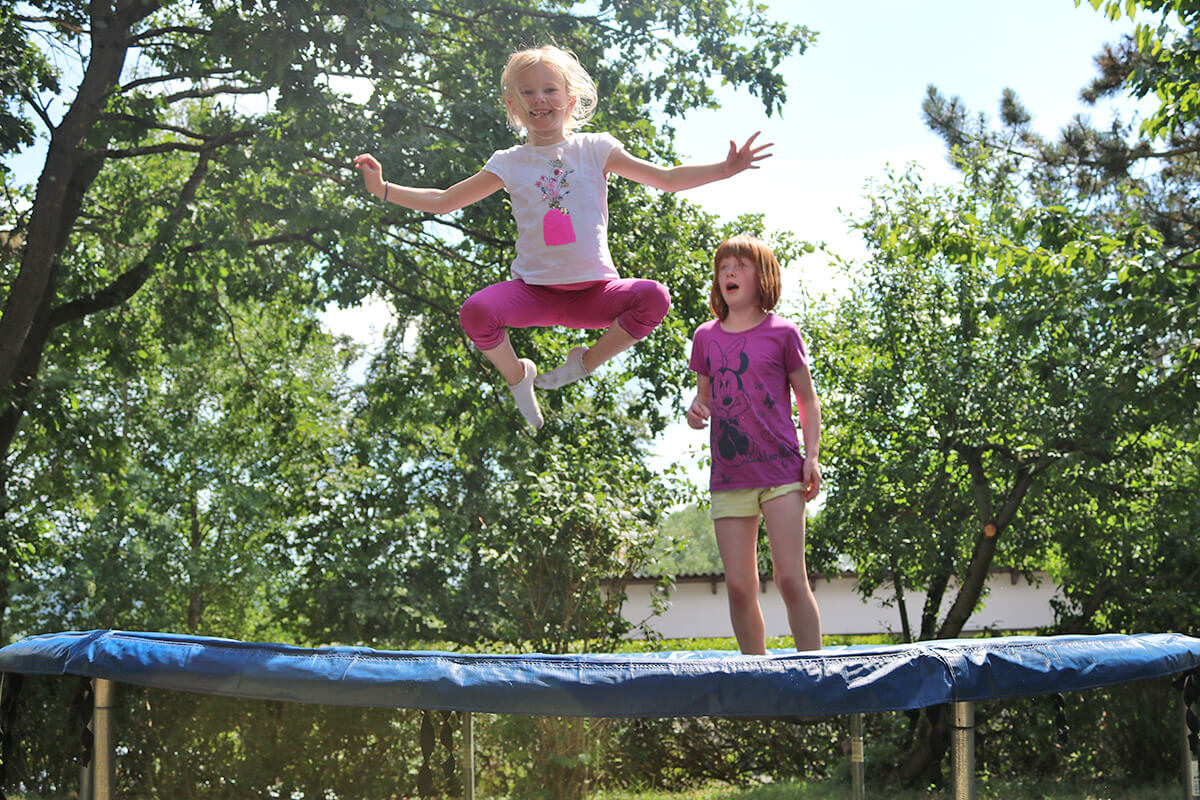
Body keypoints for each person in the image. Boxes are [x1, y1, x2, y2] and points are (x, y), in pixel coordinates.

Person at [354, 45, 772, 429]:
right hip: (533, 293)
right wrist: (384, 189)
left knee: (654, 297)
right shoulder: (508, 162)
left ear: (570, 100)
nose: (539, 99)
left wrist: (724, 169)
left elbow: (666, 179)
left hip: (595, 294)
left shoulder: (595, 149)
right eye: (527, 93)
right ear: (513, 106)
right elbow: (445, 200)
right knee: (476, 312)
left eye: (549, 90)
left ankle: (584, 363)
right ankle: (518, 377)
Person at [685, 234, 822, 653]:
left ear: (762, 276)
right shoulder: (705, 337)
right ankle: (757, 675)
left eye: (739, 266)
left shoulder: (783, 333)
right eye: (723, 267)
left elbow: (807, 399)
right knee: (740, 588)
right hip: (730, 477)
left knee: (790, 579)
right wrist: (696, 410)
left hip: (782, 471)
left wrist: (812, 457)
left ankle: (814, 674)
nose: (729, 273)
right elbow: (705, 398)